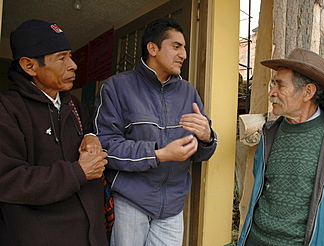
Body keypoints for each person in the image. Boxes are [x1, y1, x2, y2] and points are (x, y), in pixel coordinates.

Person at [93, 17, 217, 245]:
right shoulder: (117, 87)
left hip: (172, 207)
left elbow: (200, 153)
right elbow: (106, 148)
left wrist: (207, 138)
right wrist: (159, 153)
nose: (184, 55)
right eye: (176, 47)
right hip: (130, 201)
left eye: (185, 48)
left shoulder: (188, 92)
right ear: (152, 48)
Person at [238, 48, 324, 245]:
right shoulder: (269, 134)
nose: (271, 92)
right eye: (273, 83)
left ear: (308, 92)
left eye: (280, 85)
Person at [0, 19, 108, 245]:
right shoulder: (8, 110)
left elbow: (89, 128)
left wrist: (91, 137)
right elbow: (8, 179)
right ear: (30, 66)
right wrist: (78, 172)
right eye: (61, 58)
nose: (73, 65)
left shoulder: (73, 104)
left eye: (70, 55)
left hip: (90, 236)